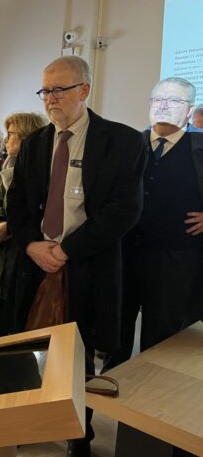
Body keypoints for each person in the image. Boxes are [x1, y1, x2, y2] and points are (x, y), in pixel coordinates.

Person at [6, 56, 145, 457]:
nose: (50, 99)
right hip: (36, 265)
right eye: (45, 90)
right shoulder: (35, 144)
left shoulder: (122, 142)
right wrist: (32, 245)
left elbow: (124, 211)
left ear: (84, 90)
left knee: (79, 356)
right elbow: (16, 204)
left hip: (88, 265)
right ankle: (34, 419)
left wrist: (66, 250)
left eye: (59, 90)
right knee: (33, 348)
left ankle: (80, 435)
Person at [104, 78, 203, 383]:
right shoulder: (128, 146)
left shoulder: (199, 148)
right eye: (157, 100)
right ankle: (108, 383)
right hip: (125, 254)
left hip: (176, 258)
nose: (163, 106)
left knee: (162, 334)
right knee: (115, 327)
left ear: (188, 111)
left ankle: (149, 398)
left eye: (173, 102)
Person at [0, 112, 47, 338]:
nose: (5, 140)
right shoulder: (8, 167)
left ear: (27, 137)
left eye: (10, 134)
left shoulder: (44, 169)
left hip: (23, 257)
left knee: (19, 325)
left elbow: (42, 209)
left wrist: (11, 225)